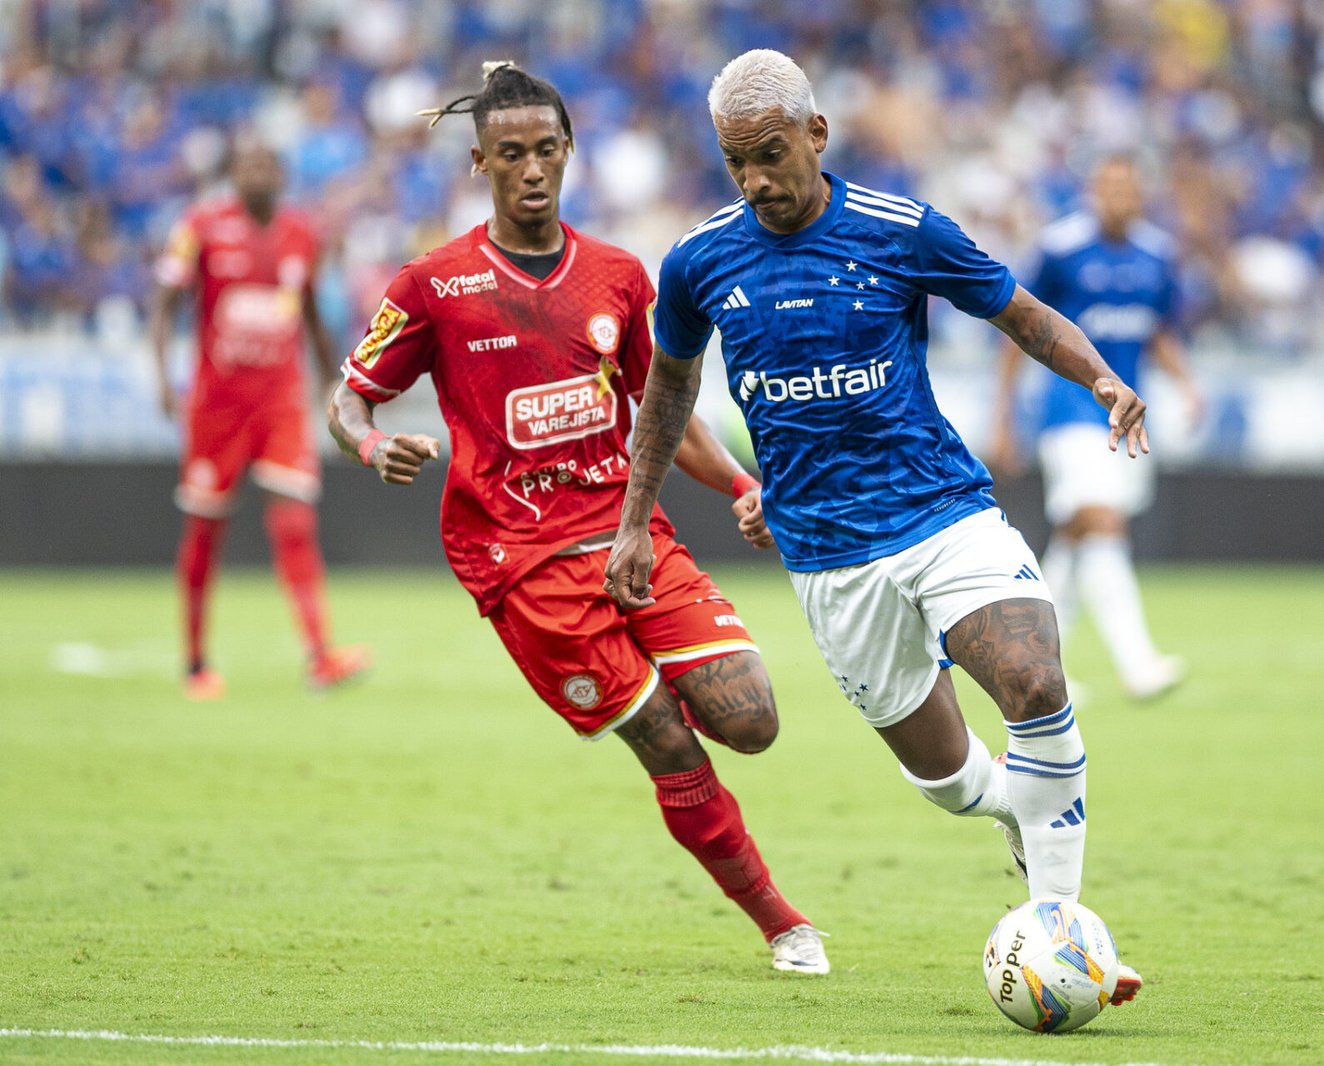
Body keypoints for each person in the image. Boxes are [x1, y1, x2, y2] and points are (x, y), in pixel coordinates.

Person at [606, 49, 1145, 1004]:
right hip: (826, 555)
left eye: (771, 154)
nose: (757, 180)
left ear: (818, 133)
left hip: (941, 511)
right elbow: (669, 388)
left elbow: (1019, 313)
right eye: (737, 163)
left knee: (1032, 675)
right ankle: (1016, 817)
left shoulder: (902, 232)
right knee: (946, 775)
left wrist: (1098, 374)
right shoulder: (698, 262)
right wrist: (635, 521)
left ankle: (1062, 926)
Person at [326, 62, 828, 975]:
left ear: (569, 153)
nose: (531, 170)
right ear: (480, 161)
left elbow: (663, 412)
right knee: (665, 738)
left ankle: (648, 672)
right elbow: (350, 399)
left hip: (630, 538)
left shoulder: (618, 275)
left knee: (752, 718)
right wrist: (368, 446)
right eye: (510, 154)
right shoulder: (433, 285)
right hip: (522, 563)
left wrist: (743, 490)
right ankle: (783, 923)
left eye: (546, 151)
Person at [152, 141, 370, 700]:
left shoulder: (303, 234)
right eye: (246, 165)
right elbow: (165, 301)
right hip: (215, 407)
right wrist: (161, 375)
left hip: (278, 401)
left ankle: (321, 656)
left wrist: (338, 386)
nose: (256, 175)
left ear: (282, 175)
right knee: (205, 530)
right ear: (233, 174)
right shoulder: (200, 226)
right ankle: (196, 661)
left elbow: (314, 316)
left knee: (296, 523)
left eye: (266, 166)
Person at [992, 157, 1198, 701]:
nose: (1116, 197)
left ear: (1140, 194)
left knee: (1077, 535)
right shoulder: (1059, 249)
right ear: (1092, 192)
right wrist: (1004, 415)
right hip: (1071, 408)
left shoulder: (1158, 254)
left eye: (1126, 188)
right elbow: (1018, 326)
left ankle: (1033, 663)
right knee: (1102, 521)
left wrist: (1187, 386)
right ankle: (1138, 664)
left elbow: (1157, 331)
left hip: (1129, 411)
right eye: (1106, 187)